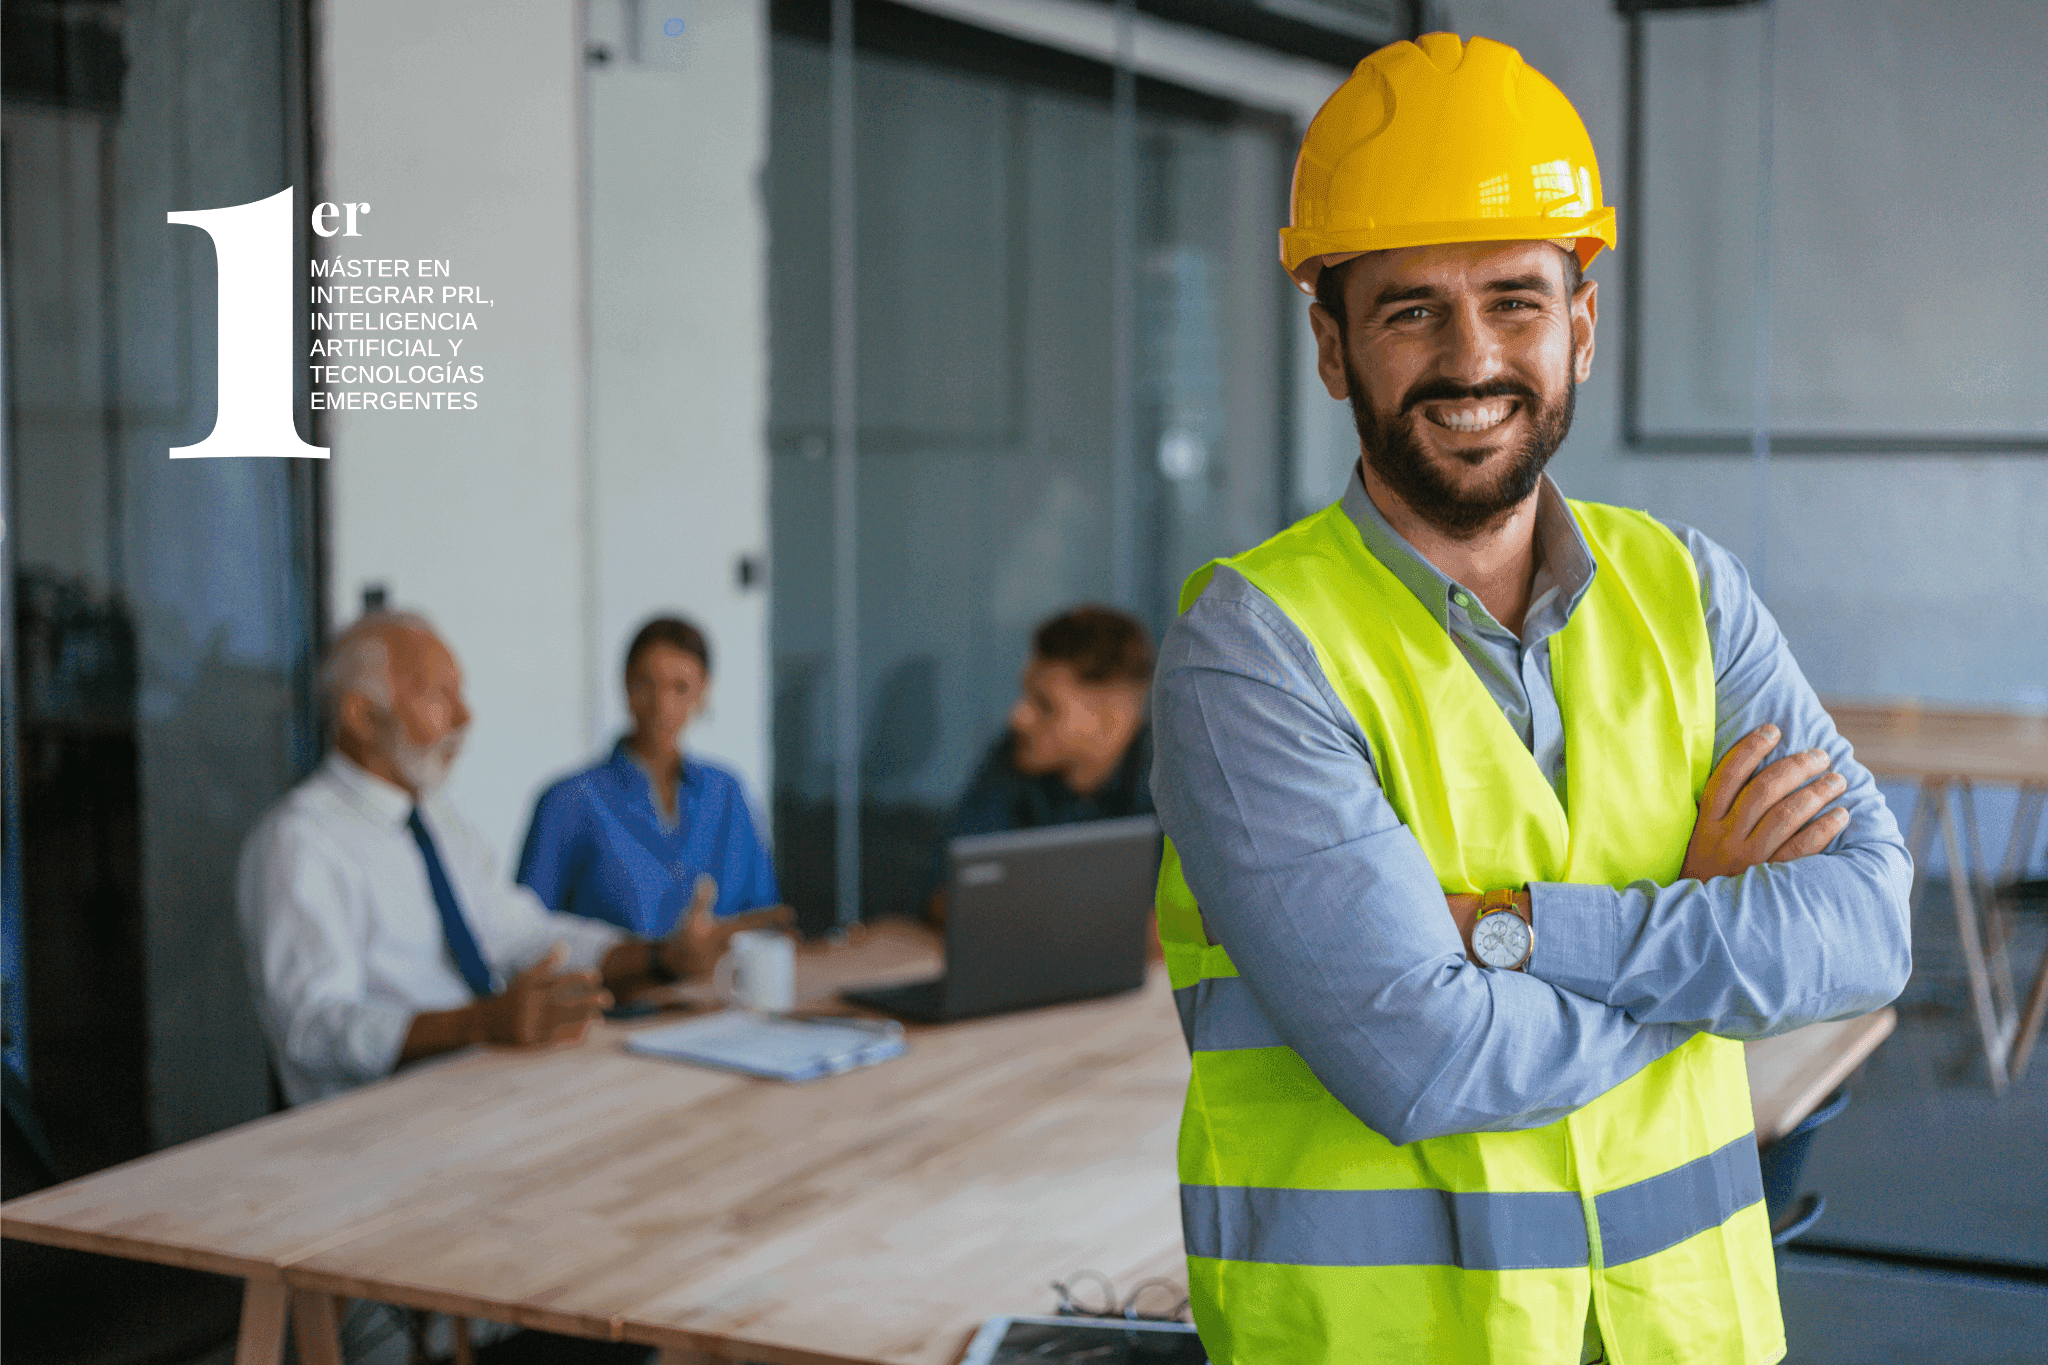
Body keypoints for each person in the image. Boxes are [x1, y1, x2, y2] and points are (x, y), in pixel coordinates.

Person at [1151, 34, 1910, 1365]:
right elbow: (1428, 1061)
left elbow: (1865, 929)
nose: (1471, 359)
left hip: (1684, 1338)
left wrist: (1515, 932)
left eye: (1514, 299)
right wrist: (1708, 916)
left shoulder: (1686, 589)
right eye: (1409, 311)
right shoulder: (1254, 651)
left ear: (1582, 326)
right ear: (1330, 347)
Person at [236, 612, 785, 1106]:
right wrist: (480, 1022)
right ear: (360, 715)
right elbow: (312, 1027)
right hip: (376, 1129)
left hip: (480, 1094)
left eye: (461, 694)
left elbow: (520, 933)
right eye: (438, 696)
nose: (464, 717)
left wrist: (658, 957)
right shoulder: (301, 841)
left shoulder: (438, 822)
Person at [517, 617, 780, 936]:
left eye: (680, 688)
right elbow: (527, 934)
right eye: (646, 683)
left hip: (723, 985)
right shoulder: (567, 802)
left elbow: (764, 919)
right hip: (612, 985)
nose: (662, 705)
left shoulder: (727, 793)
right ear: (625, 685)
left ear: (703, 692)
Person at [929, 607, 1154, 925]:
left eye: (1045, 705)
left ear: (1113, 718)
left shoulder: (1179, 779)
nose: (1018, 717)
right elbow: (946, 893)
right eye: (1025, 694)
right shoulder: (1014, 754)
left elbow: (1192, 925)